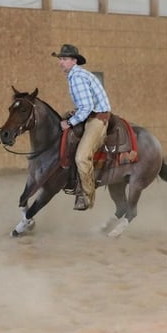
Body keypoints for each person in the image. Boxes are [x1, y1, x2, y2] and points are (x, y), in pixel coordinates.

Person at [52, 43, 112, 211]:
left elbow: (86, 107)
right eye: (60, 59)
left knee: (81, 157)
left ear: (73, 61)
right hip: (90, 115)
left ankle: (87, 196)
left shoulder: (77, 77)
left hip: (97, 119)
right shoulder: (75, 75)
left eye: (64, 59)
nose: (60, 62)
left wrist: (69, 122)